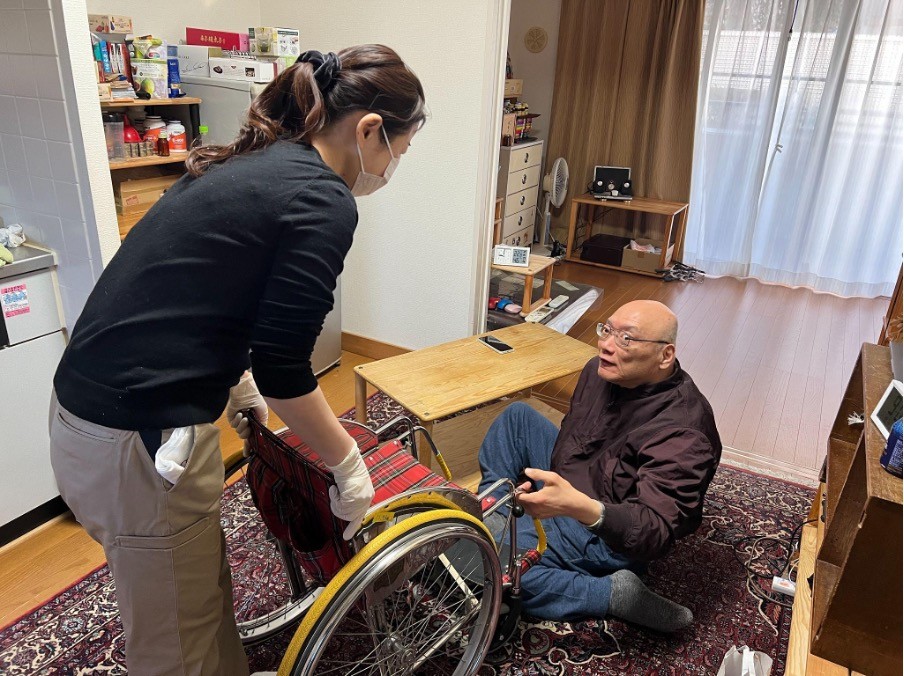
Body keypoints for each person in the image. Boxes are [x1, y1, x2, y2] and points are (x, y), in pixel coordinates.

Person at [49, 45, 426, 675]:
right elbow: (287, 370)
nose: (390, 169)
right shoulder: (322, 198)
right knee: (178, 648)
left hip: (90, 417)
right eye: (398, 151)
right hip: (134, 440)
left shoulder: (258, 164)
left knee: (192, 595)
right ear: (369, 131)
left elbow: (205, 299)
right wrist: (346, 462)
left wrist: (238, 385)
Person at [479, 300, 721, 632]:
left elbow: (656, 530)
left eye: (626, 339)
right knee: (518, 417)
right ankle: (493, 507)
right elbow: (574, 433)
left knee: (493, 567)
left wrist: (580, 507)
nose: (606, 344)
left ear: (665, 355)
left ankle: (613, 593)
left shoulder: (684, 432)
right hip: (581, 476)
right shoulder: (598, 370)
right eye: (607, 330)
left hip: (604, 532)